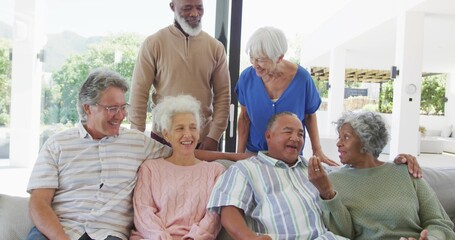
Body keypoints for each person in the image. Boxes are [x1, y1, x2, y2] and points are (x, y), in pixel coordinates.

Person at [26, 69, 244, 240]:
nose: (120, 116)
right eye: (112, 108)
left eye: (123, 107)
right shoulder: (57, 144)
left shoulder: (136, 142)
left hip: (107, 234)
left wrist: (239, 158)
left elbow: (184, 153)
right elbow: (39, 203)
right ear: (88, 108)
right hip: (59, 230)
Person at [308, 111, 455, 240]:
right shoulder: (332, 181)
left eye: (346, 137)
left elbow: (439, 223)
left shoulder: (405, 172)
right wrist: (328, 195)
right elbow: (343, 234)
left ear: (367, 141)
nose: (338, 143)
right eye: (339, 137)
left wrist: (430, 238)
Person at [129, 0, 231, 151]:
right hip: (162, 138)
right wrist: (137, 135)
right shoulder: (153, 43)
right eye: (187, 8)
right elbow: (139, 91)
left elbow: (223, 95)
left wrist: (214, 136)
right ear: (172, 7)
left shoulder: (215, 47)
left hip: (202, 140)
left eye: (199, 8)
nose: (195, 14)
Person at [235, 26, 337, 166]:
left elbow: (309, 116)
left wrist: (317, 150)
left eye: (261, 60)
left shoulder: (302, 79)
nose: (255, 65)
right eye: (252, 58)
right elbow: (245, 118)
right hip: (254, 155)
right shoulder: (246, 78)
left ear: (279, 57)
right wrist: (239, 156)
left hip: (290, 157)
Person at [130, 95, 225, 240]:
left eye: (193, 128)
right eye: (180, 128)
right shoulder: (150, 168)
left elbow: (214, 216)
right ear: (167, 134)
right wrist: (162, 237)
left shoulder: (215, 172)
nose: (187, 134)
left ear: (199, 132)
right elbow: (143, 212)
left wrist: (193, 238)